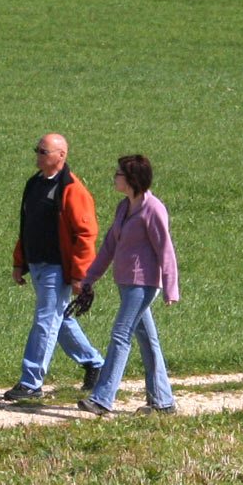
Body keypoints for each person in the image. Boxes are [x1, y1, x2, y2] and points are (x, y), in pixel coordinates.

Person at [75, 154, 179, 416]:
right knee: (147, 340)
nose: (115, 177)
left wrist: (170, 287)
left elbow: (165, 249)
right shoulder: (124, 207)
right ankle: (163, 402)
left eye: (119, 173)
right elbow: (110, 245)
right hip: (125, 281)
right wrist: (90, 278)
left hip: (143, 284)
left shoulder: (153, 208)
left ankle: (102, 398)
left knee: (120, 335)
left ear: (132, 179)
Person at [4, 133, 105, 401]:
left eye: (43, 151)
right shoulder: (35, 184)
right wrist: (19, 261)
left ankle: (31, 382)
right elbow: (26, 226)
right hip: (37, 263)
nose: (37, 155)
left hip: (57, 267)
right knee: (58, 318)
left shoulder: (73, 189)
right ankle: (96, 364)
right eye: (37, 150)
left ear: (61, 156)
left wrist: (80, 276)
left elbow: (86, 235)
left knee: (46, 320)